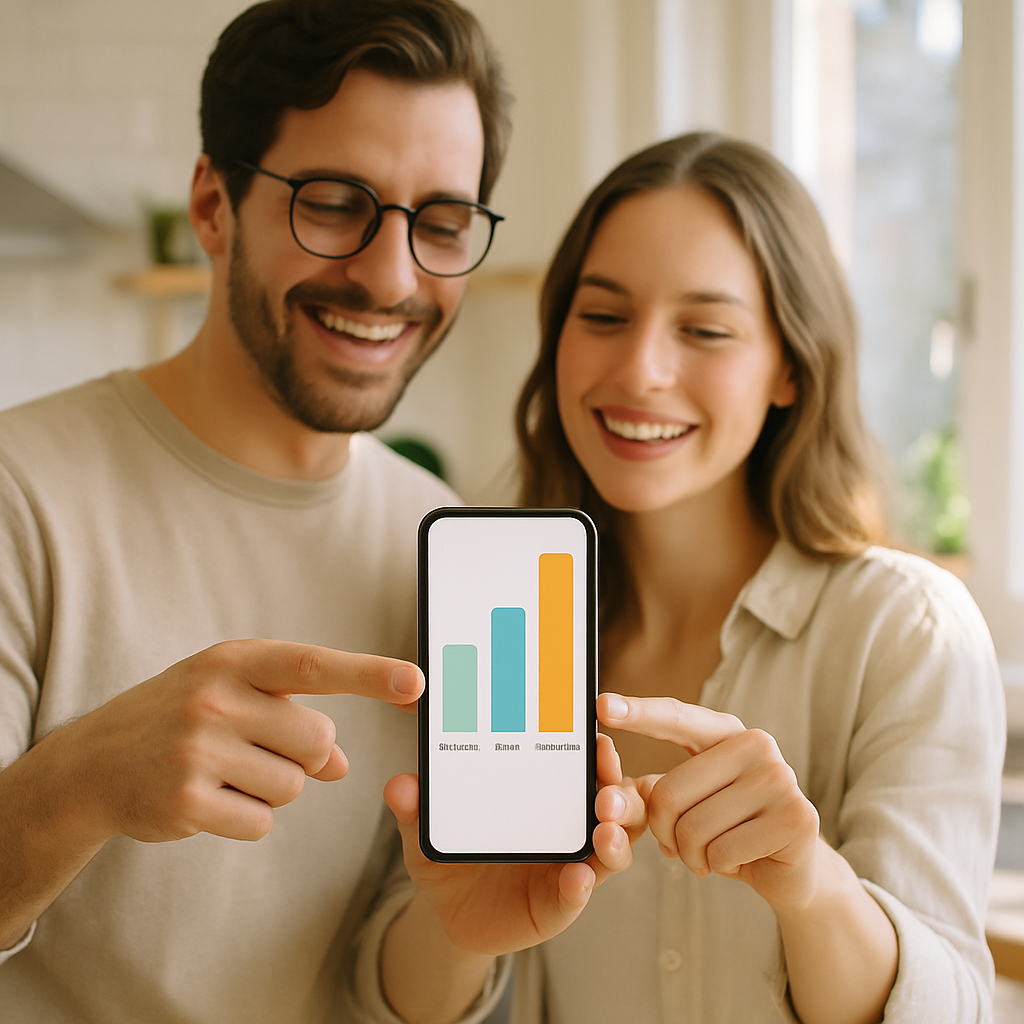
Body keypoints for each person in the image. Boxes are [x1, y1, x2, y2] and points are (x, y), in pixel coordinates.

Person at [0, 3, 636, 1023]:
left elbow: (369, 980)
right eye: (335, 203)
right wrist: (81, 783)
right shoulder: (19, 494)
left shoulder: (443, 539)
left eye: (439, 223)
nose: (390, 277)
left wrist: (457, 933)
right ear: (213, 204)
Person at [509, 131, 1006, 1023]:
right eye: (604, 315)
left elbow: (956, 1009)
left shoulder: (910, 632)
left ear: (789, 366)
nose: (640, 370)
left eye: (705, 329)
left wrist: (811, 886)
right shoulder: (508, 627)